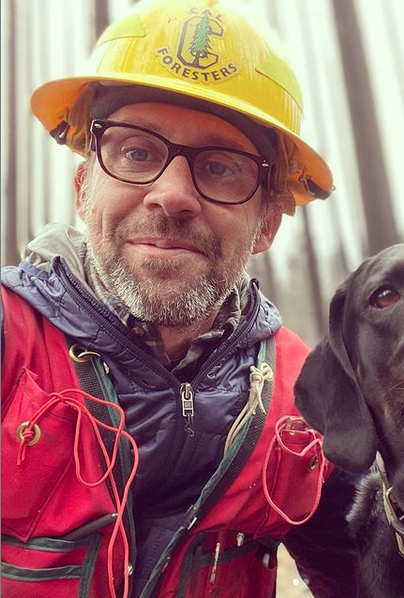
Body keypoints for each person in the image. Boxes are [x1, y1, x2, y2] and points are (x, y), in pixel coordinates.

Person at [1, 1, 360, 597]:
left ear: (267, 223)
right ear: (83, 188)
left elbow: (363, 574)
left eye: (221, 168)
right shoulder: (11, 337)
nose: (172, 196)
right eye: (137, 152)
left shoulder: (305, 395)